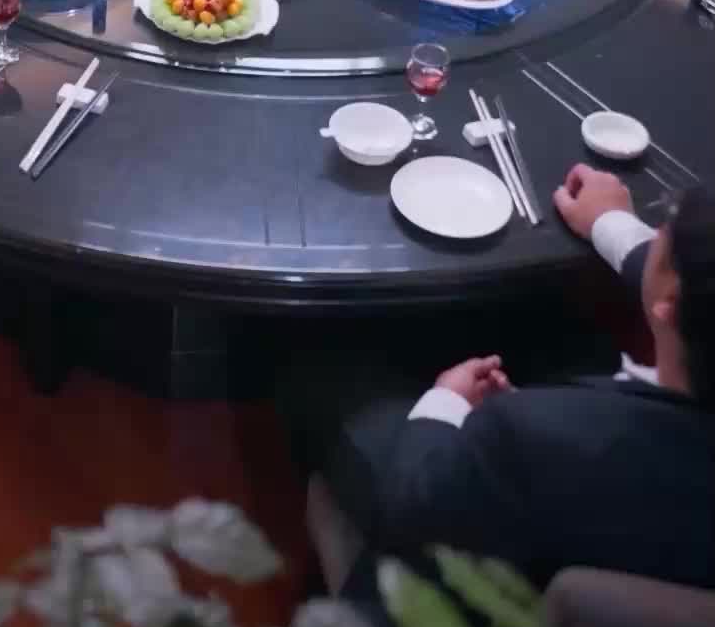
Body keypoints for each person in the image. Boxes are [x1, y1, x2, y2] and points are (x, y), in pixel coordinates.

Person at [290, 164, 715, 595]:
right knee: (555, 322)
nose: (659, 229)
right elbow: (679, 287)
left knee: (316, 361)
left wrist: (445, 401)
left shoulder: (525, 435)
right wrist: (614, 223)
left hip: (460, 565)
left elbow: (412, 508)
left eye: (669, 224)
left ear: (671, 303)